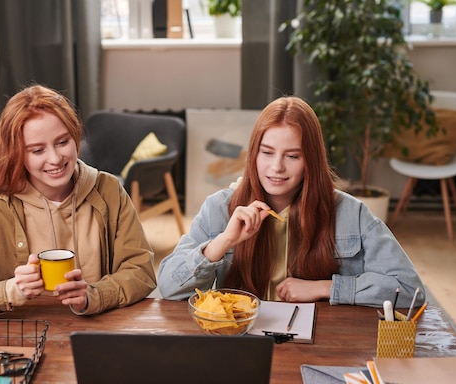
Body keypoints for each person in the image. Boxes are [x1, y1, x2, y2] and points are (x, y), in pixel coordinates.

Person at [0, 85, 156, 327]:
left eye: (62, 142)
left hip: (98, 334)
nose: (55, 159)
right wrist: (9, 291)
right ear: (16, 154)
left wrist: (93, 296)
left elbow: (142, 272)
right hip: (19, 344)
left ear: (75, 137)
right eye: (37, 150)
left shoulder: (109, 190)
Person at [158, 96, 424, 308]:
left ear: (311, 160)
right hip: (242, 340)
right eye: (267, 152)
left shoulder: (350, 212)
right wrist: (223, 241)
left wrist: (325, 287)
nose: (276, 167)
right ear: (254, 155)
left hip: (322, 341)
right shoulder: (219, 208)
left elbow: (410, 290)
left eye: (293, 156)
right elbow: (169, 288)